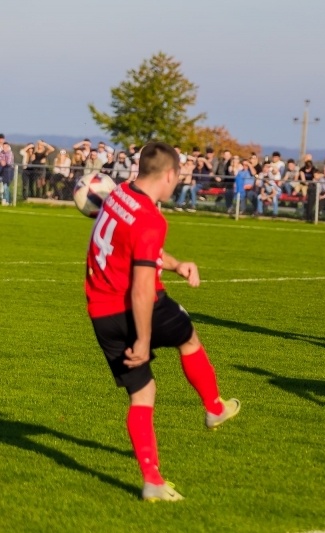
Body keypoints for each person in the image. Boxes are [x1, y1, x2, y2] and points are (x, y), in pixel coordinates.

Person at [85, 141, 240, 502]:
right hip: (140, 305)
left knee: (143, 393)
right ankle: (214, 408)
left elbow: (136, 248)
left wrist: (175, 264)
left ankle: (152, 480)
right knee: (188, 339)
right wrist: (142, 340)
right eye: (179, 176)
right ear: (169, 175)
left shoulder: (119, 193)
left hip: (101, 312)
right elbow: (141, 289)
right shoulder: (151, 218)